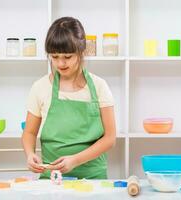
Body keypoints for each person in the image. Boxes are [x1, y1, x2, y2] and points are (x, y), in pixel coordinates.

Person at [22, 16, 116, 179]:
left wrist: (75, 160)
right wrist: (30, 154)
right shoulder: (40, 87)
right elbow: (29, 133)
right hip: (53, 178)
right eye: (55, 56)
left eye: (67, 57)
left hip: (93, 179)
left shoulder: (99, 86)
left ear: (81, 52)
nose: (60, 63)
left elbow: (110, 138)